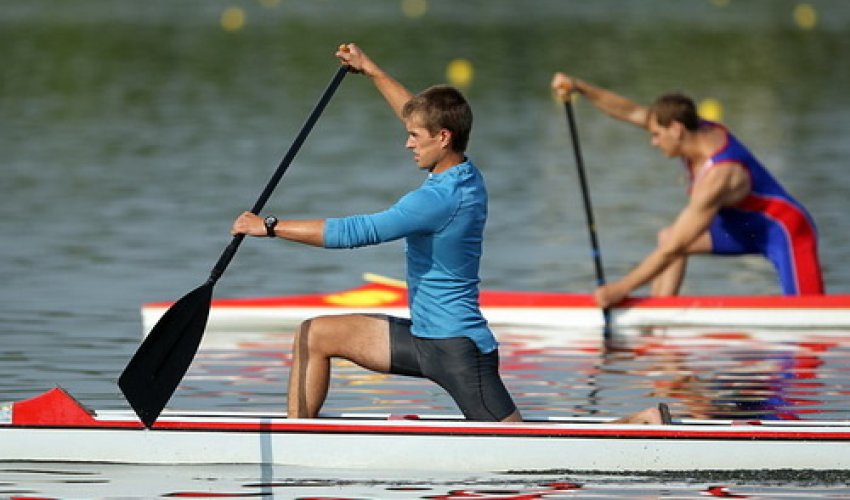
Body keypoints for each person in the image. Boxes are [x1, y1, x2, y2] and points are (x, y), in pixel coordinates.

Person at [232, 44, 668, 424]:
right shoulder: (463, 169)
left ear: (442, 138)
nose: (407, 144)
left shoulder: (438, 200)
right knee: (316, 334)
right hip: (425, 337)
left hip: (456, 350)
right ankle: (300, 438)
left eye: (414, 137)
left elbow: (357, 231)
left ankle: (639, 421)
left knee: (522, 452)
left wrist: (269, 227)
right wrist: (373, 70)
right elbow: (416, 113)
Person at [551, 73, 825, 308]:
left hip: (785, 232)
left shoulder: (719, 177)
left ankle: (649, 312)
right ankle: (658, 319)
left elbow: (674, 249)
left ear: (676, 130)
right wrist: (579, 87)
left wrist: (619, 290)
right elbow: (631, 111)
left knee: (812, 318)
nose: (653, 141)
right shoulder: (691, 130)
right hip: (742, 228)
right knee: (668, 236)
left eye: (657, 135)